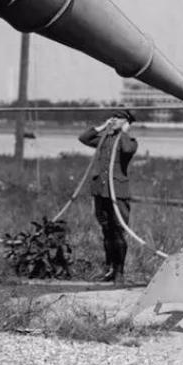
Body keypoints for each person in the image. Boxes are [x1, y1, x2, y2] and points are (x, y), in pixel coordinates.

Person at [78, 109, 138, 283]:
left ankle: (120, 273)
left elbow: (127, 150)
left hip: (117, 193)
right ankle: (109, 269)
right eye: (114, 116)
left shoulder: (130, 141)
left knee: (118, 232)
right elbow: (83, 138)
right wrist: (101, 127)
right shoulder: (104, 139)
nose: (114, 120)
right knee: (106, 231)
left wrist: (124, 132)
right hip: (101, 192)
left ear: (126, 122)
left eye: (119, 117)